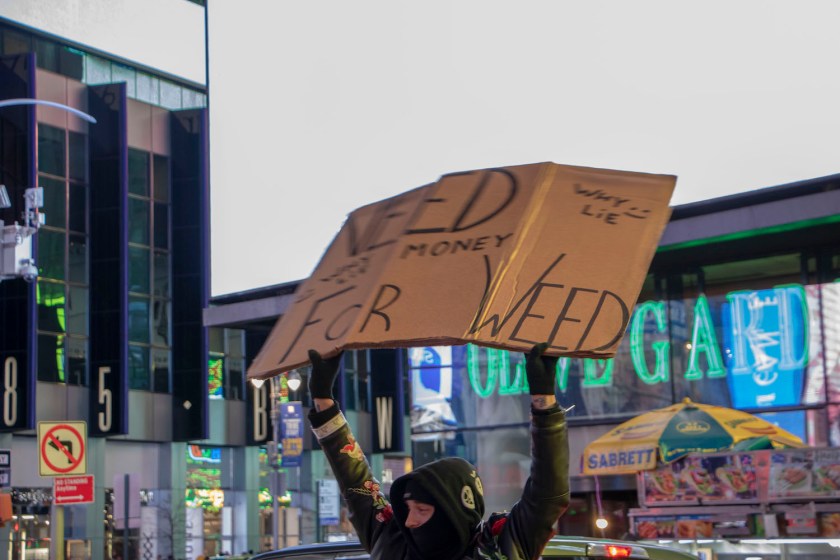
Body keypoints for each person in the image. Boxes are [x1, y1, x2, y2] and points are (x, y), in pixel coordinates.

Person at [307, 342, 570, 560]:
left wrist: (544, 403)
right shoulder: (391, 540)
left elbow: (547, 494)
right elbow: (356, 483)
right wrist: (323, 402)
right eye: (408, 508)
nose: (409, 521)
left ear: (454, 510)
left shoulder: (500, 545)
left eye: (422, 509)